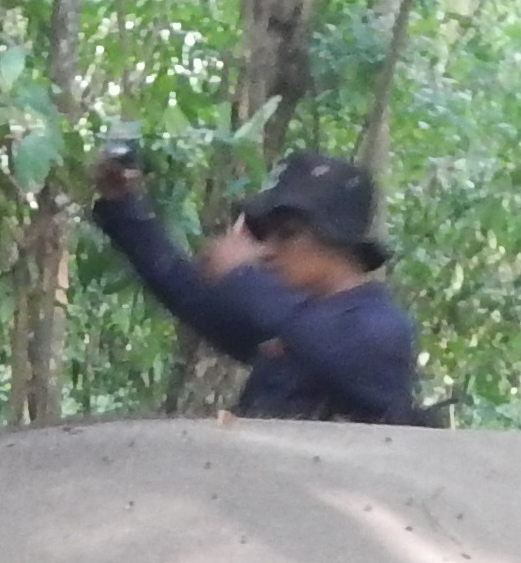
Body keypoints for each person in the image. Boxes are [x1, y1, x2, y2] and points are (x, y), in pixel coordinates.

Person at [85, 144, 431, 423]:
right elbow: (186, 290)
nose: (268, 251)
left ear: (339, 241)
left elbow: (321, 339)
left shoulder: (379, 328)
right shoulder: (295, 322)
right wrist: (123, 205)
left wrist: (239, 275)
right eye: (265, 236)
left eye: (288, 235)